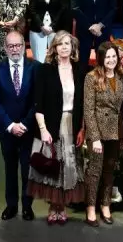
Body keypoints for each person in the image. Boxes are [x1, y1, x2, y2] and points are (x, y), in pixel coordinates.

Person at [28, 31, 86, 225]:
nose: (64, 47)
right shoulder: (45, 70)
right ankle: (53, 206)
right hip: (52, 124)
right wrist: (43, 130)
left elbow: (83, 103)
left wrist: (82, 129)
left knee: (69, 166)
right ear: (54, 47)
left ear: (73, 47)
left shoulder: (79, 69)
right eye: (60, 44)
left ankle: (62, 206)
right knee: (53, 165)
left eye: (67, 44)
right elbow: (38, 103)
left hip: (72, 124)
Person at [0, 31, 40, 221]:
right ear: (5, 48)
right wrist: (10, 125)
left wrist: (25, 124)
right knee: (10, 170)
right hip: (6, 129)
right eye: (11, 46)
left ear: (24, 46)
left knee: (27, 170)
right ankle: (11, 206)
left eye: (18, 45)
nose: (15, 49)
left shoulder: (35, 67)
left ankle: (27, 207)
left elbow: (37, 100)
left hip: (28, 128)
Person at [83, 41, 123, 227]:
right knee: (95, 172)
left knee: (110, 171)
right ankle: (91, 207)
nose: (111, 60)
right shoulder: (91, 77)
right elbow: (88, 110)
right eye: (107, 56)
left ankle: (106, 205)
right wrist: (95, 138)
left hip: (116, 131)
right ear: (101, 58)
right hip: (98, 133)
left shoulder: (120, 76)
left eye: (114, 56)